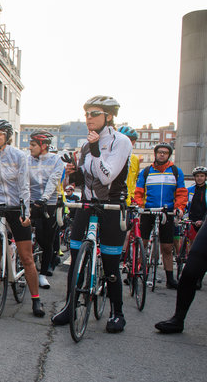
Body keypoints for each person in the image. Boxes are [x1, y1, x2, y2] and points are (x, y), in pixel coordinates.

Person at [52, 95, 131, 332]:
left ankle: (117, 312)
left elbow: (106, 176)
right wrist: (74, 172)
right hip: (87, 204)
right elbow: (84, 180)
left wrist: (95, 149)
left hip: (111, 206)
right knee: (75, 257)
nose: (88, 118)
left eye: (94, 114)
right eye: (86, 114)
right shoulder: (85, 145)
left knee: (110, 262)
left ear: (108, 117)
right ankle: (69, 306)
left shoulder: (121, 141)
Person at [0, 119, 44, 317]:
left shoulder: (19, 156)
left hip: (16, 208)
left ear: (7, 136)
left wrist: (26, 213)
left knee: (26, 257)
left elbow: (24, 187)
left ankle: (36, 300)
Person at [133, 142, 187, 289]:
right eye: (159, 152)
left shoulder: (176, 171)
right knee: (142, 244)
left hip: (167, 212)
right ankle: (136, 273)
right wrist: (139, 205)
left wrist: (179, 208)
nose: (162, 154)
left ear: (169, 155)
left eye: (165, 152)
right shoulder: (146, 171)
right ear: (155, 154)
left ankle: (170, 279)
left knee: (167, 248)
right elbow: (138, 192)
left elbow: (181, 193)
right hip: (148, 211)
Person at [28, 130, 64, 289]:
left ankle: (42, 274)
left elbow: (53, 180)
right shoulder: (27, 160)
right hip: (30, 201)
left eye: (33, 145)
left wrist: (44, 198)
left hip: (48, 203)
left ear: (44, 146)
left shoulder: (56, 160)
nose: (30, 147)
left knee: (46, 241)